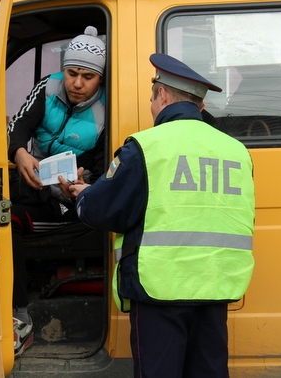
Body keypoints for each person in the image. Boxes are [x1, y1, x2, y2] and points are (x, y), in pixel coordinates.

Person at [60, 53, 255, 377]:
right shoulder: (236, 151)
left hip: (161, 288)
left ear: (162, 95)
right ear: (200, 107)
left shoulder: (145, 147)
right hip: (216, 285)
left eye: (153, 99)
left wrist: (82, 196)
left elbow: (108, 209)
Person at [7, 26, 107, 357]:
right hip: (31, 183)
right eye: (72, 72)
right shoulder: (48, 86)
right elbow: (17, 126)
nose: (77, 83)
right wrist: (20, 152)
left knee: (7, 224)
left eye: (88, 76)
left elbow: (106, 173)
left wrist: (77, 188)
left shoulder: (107, 111)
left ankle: (20, 318)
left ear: (100, 78)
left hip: (68, 203)